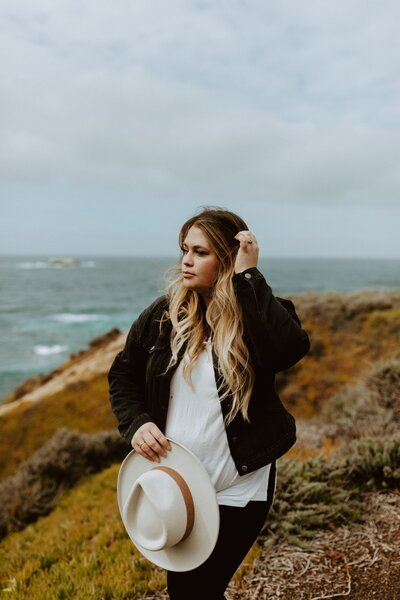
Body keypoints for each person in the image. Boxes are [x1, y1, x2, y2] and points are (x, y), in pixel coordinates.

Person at [108, 207, 310, 600]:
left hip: (239, 484)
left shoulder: (261, 312)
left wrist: (248, 276)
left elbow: (287, 350)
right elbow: (123, 375)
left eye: (201, 252)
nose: (186, 260)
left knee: (194, 590)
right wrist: (136, 424)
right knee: (190, 589)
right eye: (185, 249)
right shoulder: (162, 316)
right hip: (180, 482)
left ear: (228, 259)